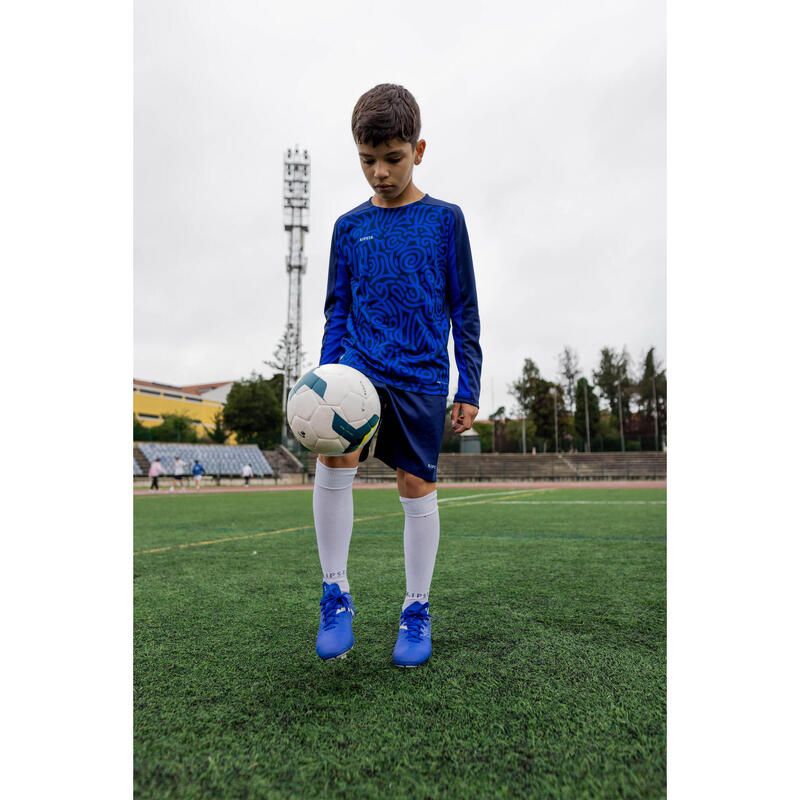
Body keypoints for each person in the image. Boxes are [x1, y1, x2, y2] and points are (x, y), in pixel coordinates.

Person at [312, 84, 481, 668]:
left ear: (419, 149)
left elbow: (464, 307)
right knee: (334, 460)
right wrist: (326, 374)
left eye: (392, 159)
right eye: (367, 161)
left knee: (416, 488)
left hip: (422, 374)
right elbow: (339, 307)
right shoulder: (347, 227)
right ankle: (335, 594)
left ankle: (416, 608)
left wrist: (471, 385)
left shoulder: (445, 220)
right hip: (358, 369)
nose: (379, 173)